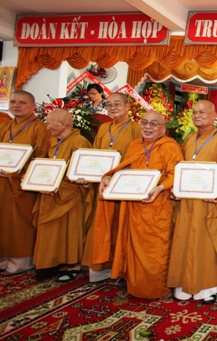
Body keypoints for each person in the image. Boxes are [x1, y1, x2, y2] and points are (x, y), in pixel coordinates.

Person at [99, 111, 182, 299]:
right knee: (133, 248)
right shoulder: (135, 145)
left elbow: (175, 174)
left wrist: (160, 187)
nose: (148, 127)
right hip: (134, 206)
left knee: (156, 250)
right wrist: (110, 178)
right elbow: (125, 171)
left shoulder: (170, 147)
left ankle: (158, 289)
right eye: (144, 122)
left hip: (158, 207)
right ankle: (134, 286)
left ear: (163, 128)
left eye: (154, 123)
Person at [167, 101, 217, 303]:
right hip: (187, 203)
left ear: (214, 115)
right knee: (183, 242)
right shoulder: (188, 139)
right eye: (194, 112)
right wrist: (176, 189)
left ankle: (207, 289)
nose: (197, 115)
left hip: (210, 204)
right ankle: (182, 285)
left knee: (206, 245)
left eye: (202, 112)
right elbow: (180, 169)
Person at [80, 93, 140, 282]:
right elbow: (94, 154)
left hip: (123, 187)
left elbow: (139, 156)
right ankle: (100, 268)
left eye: (117, 104)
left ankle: (119, 268)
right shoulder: (104, 128)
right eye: (109, 104)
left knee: (119, 226)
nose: (113, 107)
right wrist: (85, 173)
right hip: (102, 186)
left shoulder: (136, 128)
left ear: (127, 106)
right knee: (100, 227)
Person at [32, 109, 92, 282]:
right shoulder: (53, 140)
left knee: (69, 232)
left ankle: (71, 265)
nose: (47, 127)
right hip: (50, 192)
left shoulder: (80, 141)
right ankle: (49, 263)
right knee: (49, 231)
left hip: (70, 194)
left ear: (63, 124)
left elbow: (83, 169)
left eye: (50, 123)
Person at [0, 91, 51, 276]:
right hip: (3, 183)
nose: (16, 105)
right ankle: (3, 260)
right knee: (3, 223)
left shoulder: (40, 128)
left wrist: (18, 174)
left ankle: (21, 262)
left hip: (22, 186)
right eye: (13, 102)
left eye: (22, 102)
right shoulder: (5, 126)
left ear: (33, 106)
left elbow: (43, 158)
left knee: (20, 225)